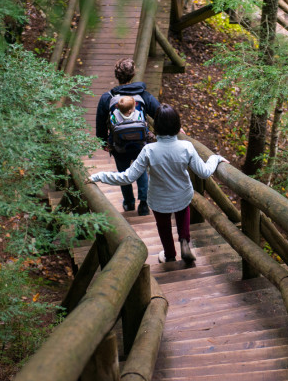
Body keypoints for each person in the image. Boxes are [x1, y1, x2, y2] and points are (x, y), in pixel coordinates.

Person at [90, 104, 228, 263]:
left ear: (156, 126)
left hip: (159, 199)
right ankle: (184, 241)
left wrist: (100, 176)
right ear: (177, 125)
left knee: (163, 226)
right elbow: (204, 172)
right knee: (183, 213)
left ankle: (169, 254)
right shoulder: (186, 147)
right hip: (182, 194)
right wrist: (215, 158)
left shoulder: (149, 150)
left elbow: (127, 177)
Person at [95, 58, 160, 215]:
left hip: (118, 144)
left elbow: (100, 122)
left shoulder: (107, 98)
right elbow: (159, 112)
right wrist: (176, 127)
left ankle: (129, 202)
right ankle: (144, 203)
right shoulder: (143, 95)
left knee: (123, 172)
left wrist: (103, 141)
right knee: (141, 170)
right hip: (140, 143)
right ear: (133, 74)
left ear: (117, 75)